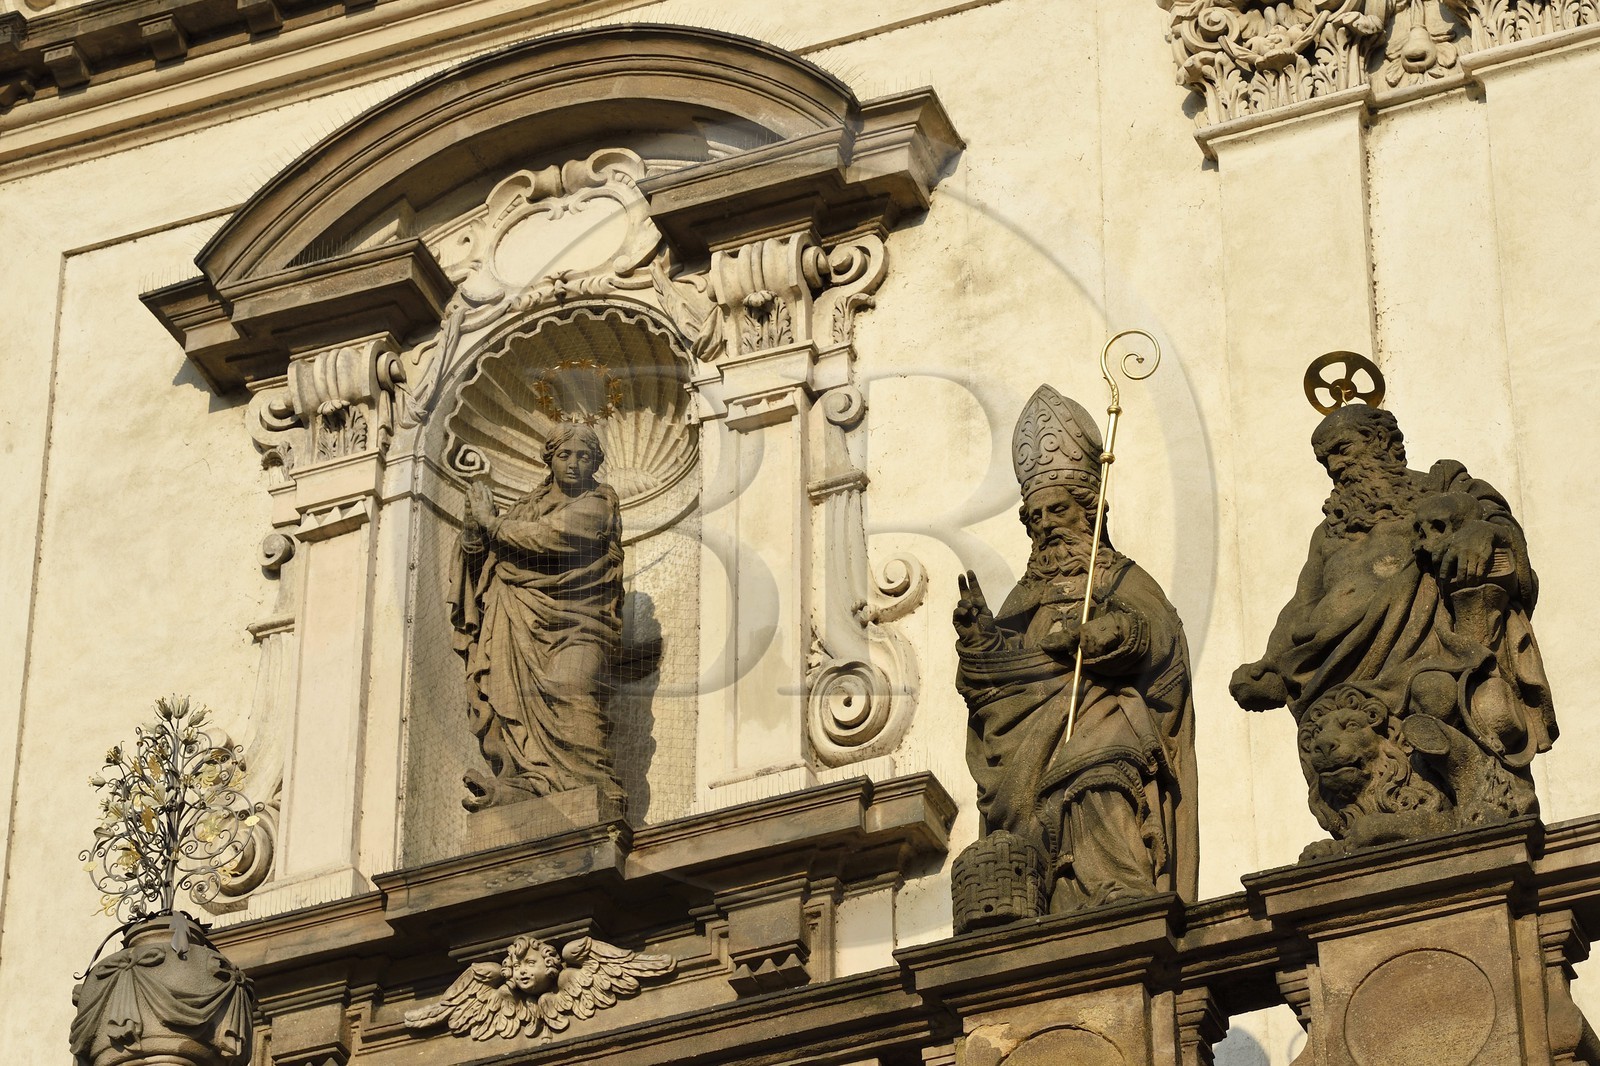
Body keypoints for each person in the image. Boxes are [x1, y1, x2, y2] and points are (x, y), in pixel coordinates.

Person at [1231, 403, 1554, 825]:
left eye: (1342, 450)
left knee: (1434, 695)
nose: (1336, 466)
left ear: (1381, 441)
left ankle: (1469, 795)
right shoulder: (1329, 531)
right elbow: (1301, 603)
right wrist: (1271, 664)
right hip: (1335, 665)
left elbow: (1504, 533)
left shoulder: (1442, 491)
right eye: (1325, 459)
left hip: (1423, 644)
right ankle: (1373, 819)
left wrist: (1482, 531)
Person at [954, 385, 1198, 912]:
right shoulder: (1026, 593)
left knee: (1099, 762)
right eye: (1035, 517)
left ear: (1089, 512)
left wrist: (1102, 634)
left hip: (1103, 705)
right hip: (1031, 731)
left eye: (1057, 510)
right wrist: (981, 639)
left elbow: (1157, 633)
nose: (1045, 525)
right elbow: (998, 682)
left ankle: (1116, 882)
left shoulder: (1117, 575)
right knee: (1039, 800)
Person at [450, 423, 628, 813]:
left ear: (596, 462)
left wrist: (491, 523)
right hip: (516, 618)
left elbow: (553, 538)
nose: (574, 464)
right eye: (565, 455)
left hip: (579, 622)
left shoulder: (600, 503)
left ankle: (598, 787)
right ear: (549, 459)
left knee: (571, 685)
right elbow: (482, 562)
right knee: (510, 699)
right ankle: (526, 781)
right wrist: (472, 528)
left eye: (584, 456)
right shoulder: (525, 508)